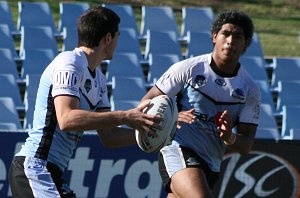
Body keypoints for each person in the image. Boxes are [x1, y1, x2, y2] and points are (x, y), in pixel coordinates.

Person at [9, 6, 162, 198]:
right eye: (117, 36)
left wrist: (153, 134)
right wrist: (125, 116)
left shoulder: (99, 79)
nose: (117, 42)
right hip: (35, 166)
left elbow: (110, 137)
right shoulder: (69, 63)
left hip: (51, 171)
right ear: (108, 38)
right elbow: (67, 119)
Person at [141, 10, 261, 197]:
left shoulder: (250, 90)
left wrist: (229, 136)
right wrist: (171, 117)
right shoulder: (188, 69)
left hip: (211, 164)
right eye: (225, 34)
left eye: (237, 36)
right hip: (178, 149)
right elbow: (146, 102)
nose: (230, 41)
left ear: (245, 43)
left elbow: (246, 145)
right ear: (215, 37)